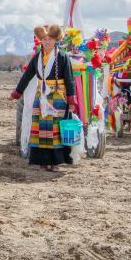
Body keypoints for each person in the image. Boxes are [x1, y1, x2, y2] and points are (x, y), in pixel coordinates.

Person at [11, 25, 77, 171]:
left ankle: (55, 162)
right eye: (44, 39)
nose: (47, 42)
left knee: (55, 130)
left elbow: (69, 79)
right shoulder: (37, 58)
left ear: (56, 40)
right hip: (41, 97)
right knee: (41, 129)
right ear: (40, 40)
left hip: (58, 97)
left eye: (50, 39)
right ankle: (42, 161)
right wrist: (17, 92)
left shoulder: (63, 57)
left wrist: (71, 100)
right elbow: (27, 76)